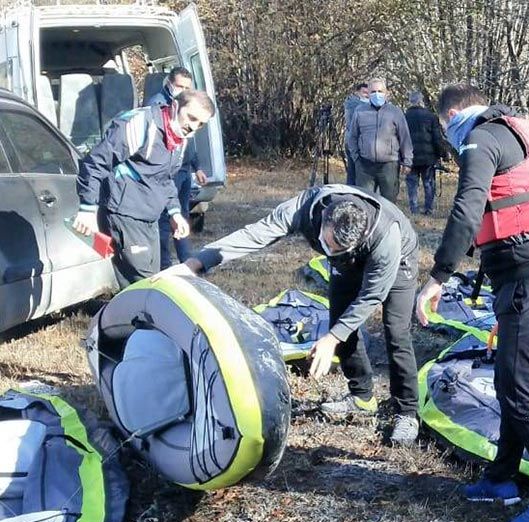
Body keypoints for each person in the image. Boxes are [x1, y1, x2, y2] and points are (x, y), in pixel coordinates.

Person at [415, 83, 529, 522]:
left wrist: (438, 276)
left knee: (519, 391)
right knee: (512, 382)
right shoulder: (514, 130)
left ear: (452, 116)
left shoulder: (479, 138)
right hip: (528, 279)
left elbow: (467, 208)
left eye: (444, 126)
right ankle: (502, 479)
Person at [165, 184, 422, 445]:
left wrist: (332, 338)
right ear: (324, 221)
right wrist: (196, 263)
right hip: (349, 263)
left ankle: (408, 412)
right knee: (339, 316)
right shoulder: (304, 208)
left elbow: (371, 296)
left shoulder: (385, 236)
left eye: (335, 250)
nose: (327, 251)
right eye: (326, 244)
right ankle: (362, 396)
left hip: (399, 261)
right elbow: (256, 234)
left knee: (396, 330)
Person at [72, 89, 215, 288]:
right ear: (175, 106)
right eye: (191, 118)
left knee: (147, 283)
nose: (193, 127)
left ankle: (125, 316)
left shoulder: (179, 139)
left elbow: (164, 179)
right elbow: (94, 163)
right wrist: (88, 208)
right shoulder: (139, 125)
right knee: (145, 286)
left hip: (150, 219)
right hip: (124, 215)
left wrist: (174, 212)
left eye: (200, 124)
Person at [145, 66, 209, 270]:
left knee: (181, 217)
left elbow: (189, 143)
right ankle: (163, 266)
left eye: (187, 87)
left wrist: (197, 167)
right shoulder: (158, 106)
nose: (182, 90)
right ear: (169, 83)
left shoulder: (189, 107)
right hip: (167, 173)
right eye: (179, 86)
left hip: (184, 173)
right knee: (164, 222)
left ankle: (187, 263)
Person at [347, 77, 412, 204]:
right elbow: (352, 136)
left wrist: (407, 161)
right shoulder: (360, 111)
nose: (377, 94)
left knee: (389, 203)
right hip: (365, 166)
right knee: (364, 203)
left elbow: (405, 137)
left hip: (389, 165)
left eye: (380, 91)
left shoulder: (395, 112)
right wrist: (356, 158)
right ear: (368, 94)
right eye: (373, 92)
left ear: (386, 93)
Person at [404, 91, 450, 215]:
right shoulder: (431, 116)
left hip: (410, 157)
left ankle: (413, 208)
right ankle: (428, 209)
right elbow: (437, 138)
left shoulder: (404, 117)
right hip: (428, 158)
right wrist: (443, 154)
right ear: (421, 101)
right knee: (428, 184)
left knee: (412, 184)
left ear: (410, 101)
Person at [343, 82, 369, 185]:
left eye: (368, 93)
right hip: (353, 143)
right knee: (354, 173)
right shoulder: (352, 105)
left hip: (360, 143)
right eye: (364, 92)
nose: (367, 95)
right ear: (357, 92)